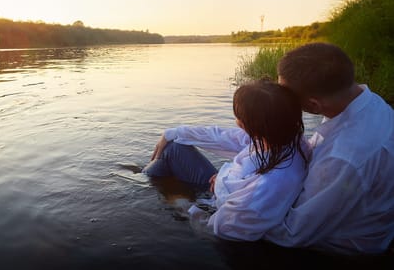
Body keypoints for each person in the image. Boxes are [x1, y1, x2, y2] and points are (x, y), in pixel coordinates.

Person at [262, 42, 394, 255]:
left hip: (334, 250)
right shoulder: (366, 100)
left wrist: (226, 203)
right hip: (359, 218)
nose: (280, 101)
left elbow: (292, 234)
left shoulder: (343, 157)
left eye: (286, 97)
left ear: (314, 105)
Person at [143, 79, 310, 241]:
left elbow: (221, 228)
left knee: (159, 183)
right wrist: (171, 133)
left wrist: (182, 205)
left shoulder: (268, 186)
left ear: (252, 125)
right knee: (174, 146)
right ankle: (146, 176)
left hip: (215, 209)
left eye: (239, 117)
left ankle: (144, 182)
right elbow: (220, 136)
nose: (236, 122)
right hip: (218, 190)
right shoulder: (284, 137)